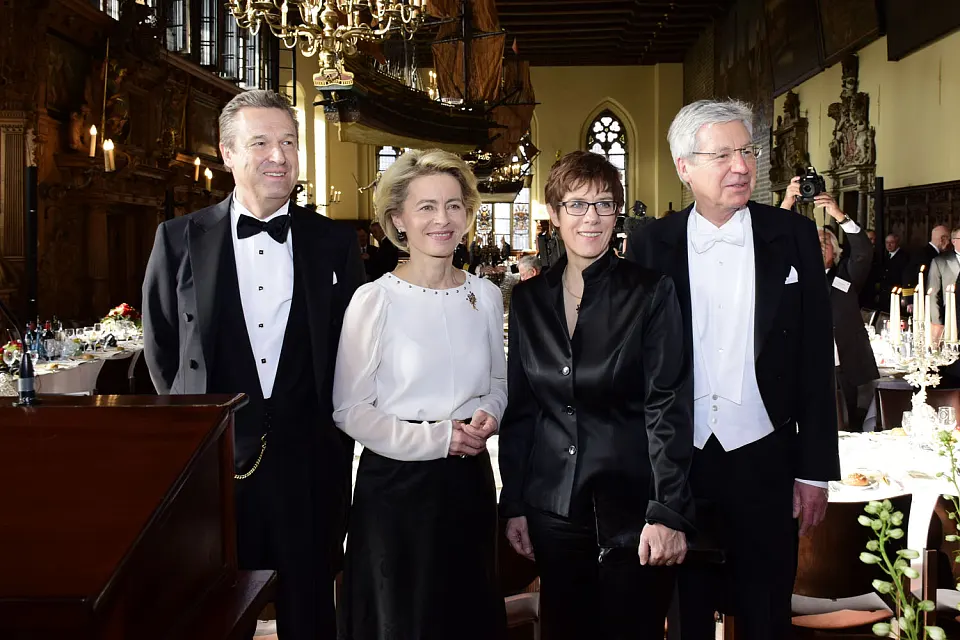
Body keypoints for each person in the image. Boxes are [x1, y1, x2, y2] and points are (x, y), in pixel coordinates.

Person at [141, 89, 363, 639]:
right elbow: (161, 347)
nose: (278, 156)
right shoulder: (177, 239)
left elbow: (357, 348)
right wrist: (196, 432)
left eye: (288, 142)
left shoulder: (334, 242)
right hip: (215, 469)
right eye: (261, 143)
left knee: (311, 609)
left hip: (310, 463)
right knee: (215, 611)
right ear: (227, 153)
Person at [627, 99, 839, 640]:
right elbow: (637, 362)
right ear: (684, 167)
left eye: (746, 151)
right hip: (681, 460)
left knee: (767, 611)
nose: (741, 165)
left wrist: (813, 469)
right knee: (685, 615)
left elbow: (816, 356)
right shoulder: (652, 243)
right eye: (722, 154)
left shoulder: (791, 235)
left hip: (765, 456)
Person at [499, 151, 693, 639]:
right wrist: (515, 503)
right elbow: (523, 412)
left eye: (604, 205)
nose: (591, 218)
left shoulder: (651, 293)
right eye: (577, 205)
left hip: (631, 511)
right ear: (555, 214)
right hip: (552, 510)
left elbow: (667, 404)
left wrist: (667, 511)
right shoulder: (529, 299)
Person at [332, 149, 508, 640]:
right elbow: (349, 410)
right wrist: (437, 439)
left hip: (470, 483)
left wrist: (488, 415)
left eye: (455, 205)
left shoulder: (485, 295)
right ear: (398, 219)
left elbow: (497, 382)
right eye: (427, 206)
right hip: (396, 491)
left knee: (467, 618)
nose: (443, 219)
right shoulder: (375, 299)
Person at [782, 180, 878, 430]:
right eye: (813, 243)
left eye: (825, 243)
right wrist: (786, 204)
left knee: (851, 427)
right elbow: (771, 250)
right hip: (805, 368)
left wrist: (839, 215)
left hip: (845, 369)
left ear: (834, 252)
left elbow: (863, 252)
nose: (819, 246)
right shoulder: (792, 276)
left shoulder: (845, 275)